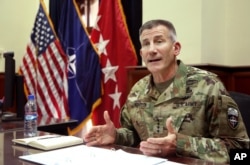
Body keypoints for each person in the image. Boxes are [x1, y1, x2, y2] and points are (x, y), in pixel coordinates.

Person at [84, 19, 250, 163]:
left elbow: (241, 153)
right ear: (142, 54)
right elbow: (134, 135)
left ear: (175, 48)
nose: (152, 49)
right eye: (146, 44)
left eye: (159, 41)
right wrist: (116, 136)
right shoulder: (137, 91)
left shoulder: (208, 86)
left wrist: (180, 145)